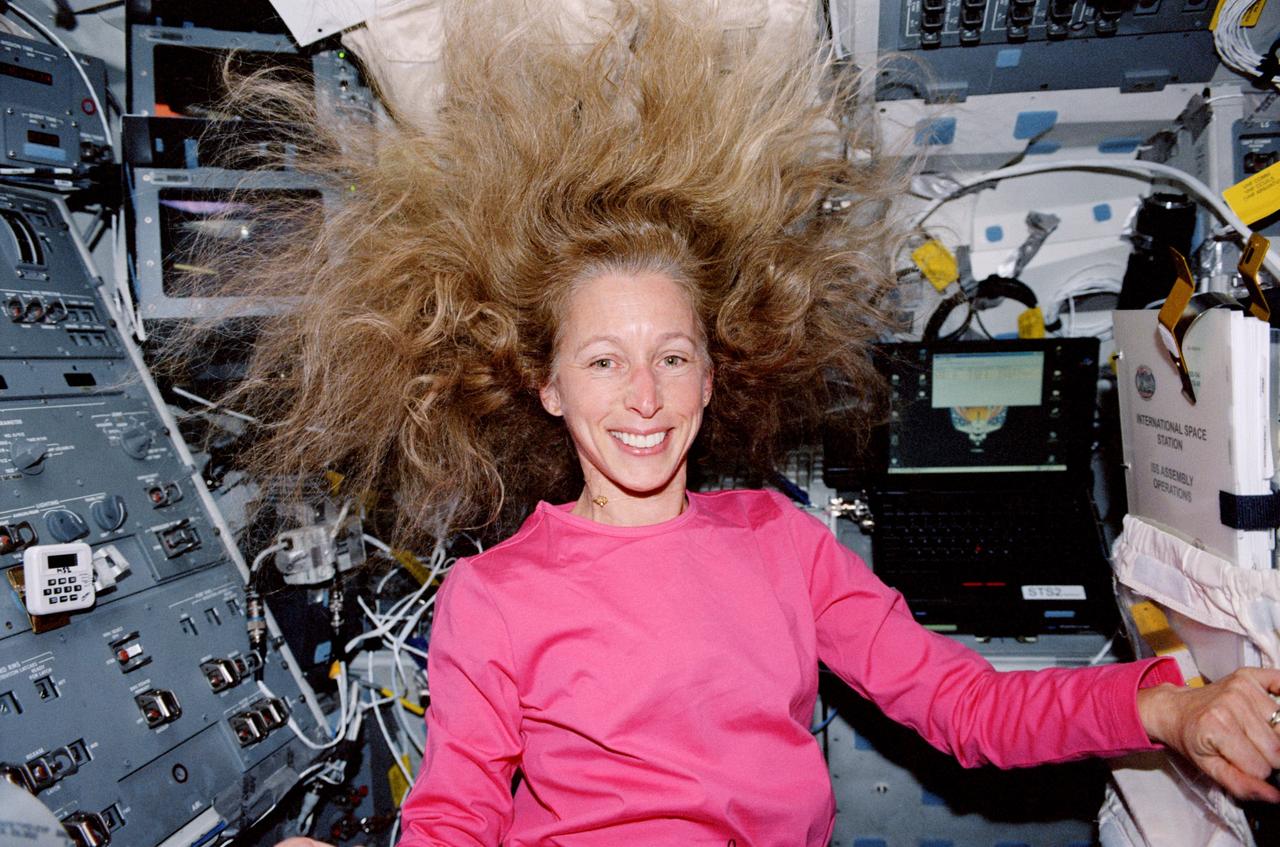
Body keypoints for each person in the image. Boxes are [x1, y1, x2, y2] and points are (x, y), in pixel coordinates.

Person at [213, 2, 1280, 844]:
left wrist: (1169, 709)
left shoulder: (781, 544)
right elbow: (454, 815)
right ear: (545, 386)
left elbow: (964, 707)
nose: (643, 397)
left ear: (713, 376)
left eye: (671, 357)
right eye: (602, 361)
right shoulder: (491, 598)